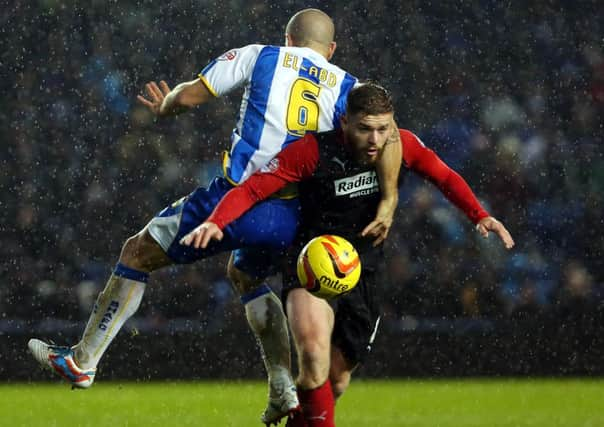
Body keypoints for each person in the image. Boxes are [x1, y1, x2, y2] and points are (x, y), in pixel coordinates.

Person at [27, 9, 402, 426]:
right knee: (245, 275)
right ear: (331, 50)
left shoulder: (260, 56)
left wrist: (166, 106)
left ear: (288, 39)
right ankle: (281, 388)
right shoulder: (350, 87)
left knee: (136, 253)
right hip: (298, 216)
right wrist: (388, 200)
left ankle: (83, 359)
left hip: (240, 198)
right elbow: (392, 140)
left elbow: (191, 94)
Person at [183, 82, 515, 426]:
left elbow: (443, 176)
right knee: (313, 360)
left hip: (364, 268)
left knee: (336, 380)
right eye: (365, 129)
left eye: (382, 129)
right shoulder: (311, 152)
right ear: (344, 122)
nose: (374, 139)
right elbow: (253, 188)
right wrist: (217, 221)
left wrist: (480, 214)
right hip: (310, 261)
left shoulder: (402, 144)